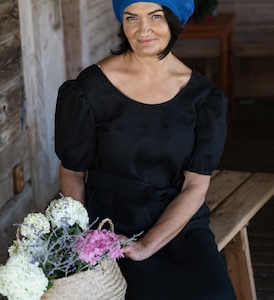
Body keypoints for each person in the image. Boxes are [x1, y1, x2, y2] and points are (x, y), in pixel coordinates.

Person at [55, 0, 236, 299]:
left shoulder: (204, 99)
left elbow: (195, 186)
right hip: (108, 226)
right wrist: (83, 238)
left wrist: (147, 245)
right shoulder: (88, 89)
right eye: (131, 18)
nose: (143, 29)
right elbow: (72, 173)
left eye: (155, 16)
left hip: (178, 225)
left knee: (214, 294)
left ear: (174, 21)